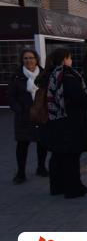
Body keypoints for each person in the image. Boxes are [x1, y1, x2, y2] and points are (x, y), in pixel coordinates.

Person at [36, 48, 87, 199]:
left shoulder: (48, 74)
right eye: (70, 58)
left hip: (53, 119)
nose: (71, 61)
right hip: (70, 121)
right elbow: (79, 97)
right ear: (64, 59)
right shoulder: (67, 75)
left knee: (58, 155)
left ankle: (57, 186)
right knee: (71, 156)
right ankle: (73, 188)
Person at [8, 49, 48, 184]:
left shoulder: (44, 75)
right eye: (25, 58)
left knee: (42, 142)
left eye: (31, 58)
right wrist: (19, 110)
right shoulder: (16, 76)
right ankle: (20, 173)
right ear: (22, 60)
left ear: (36, 59)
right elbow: (11, 96)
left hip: (40, 114)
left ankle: (41, 167)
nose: (29, 60)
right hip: (23, 116)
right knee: (22, 145)